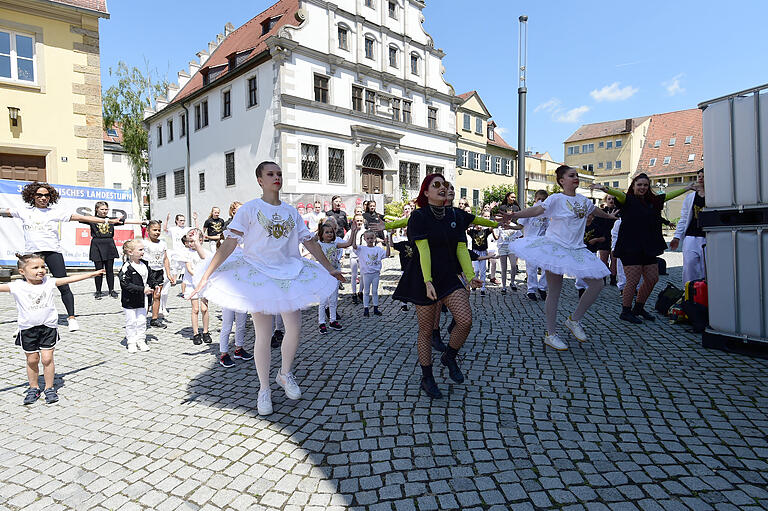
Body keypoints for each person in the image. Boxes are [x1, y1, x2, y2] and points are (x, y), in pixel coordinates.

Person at [189, 161, 344, 416]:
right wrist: (207, 275)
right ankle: (264, 389)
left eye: (279, 174)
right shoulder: (249, 209)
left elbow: (310, 242)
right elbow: (229, 244)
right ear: (260, 179)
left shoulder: (291, 212)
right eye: (270, 174)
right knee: (262, 334)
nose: (276, 177)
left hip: (289, 272)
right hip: (257, 274)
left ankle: (284, 374)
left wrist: (329, 268)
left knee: (294, 328)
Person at [391, 174, 499, 399]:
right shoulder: (419, 216)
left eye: (445, 185)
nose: (442, 188)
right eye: (436, 185)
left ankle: (449, 356)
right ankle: (427, 377)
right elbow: (424, 251)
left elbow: (461, 248)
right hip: (424, 275)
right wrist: (428, 281)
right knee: (426, 330)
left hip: (449, 275)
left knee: (465, 320)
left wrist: (469, 276)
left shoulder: (454, 215)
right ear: (426, 192)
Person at [509, 166, 616, 351]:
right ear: (561, 180)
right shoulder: (556, 199)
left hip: (577, 249)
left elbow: (595, 211)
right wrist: (515, 214)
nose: (576, 178)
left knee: (597, 284)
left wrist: (608, 216)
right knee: (554, 292)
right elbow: (536, 211)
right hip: (555, 248)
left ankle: (574, 320)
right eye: (571, 175)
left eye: (577, 176)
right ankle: (551, 334)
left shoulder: (584, 200)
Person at [0, 181, 121, 331]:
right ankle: (24, 322)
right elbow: (3, 211)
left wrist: (107, 220)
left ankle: (71, 318)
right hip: (33, 254)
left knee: (63, 285)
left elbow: (82, 218)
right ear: (32, 196)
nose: (43, 198)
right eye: (39, 195)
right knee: (27, 289)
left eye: (46, 195)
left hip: (53, 252)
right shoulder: (23, 211)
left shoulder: (55, 212)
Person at [1, 253, 104, 405]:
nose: (41, 270)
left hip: (48, 327)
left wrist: (93, 273)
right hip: (28, 329)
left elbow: (69, 279)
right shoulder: (16, 286)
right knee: (32, 360)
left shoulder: (49, 282)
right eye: (35, 267)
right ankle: (33, 388)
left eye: (43, 266)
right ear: (22, 271)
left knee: (47, 358)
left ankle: (49, 388)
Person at [593, 175, 693, 323]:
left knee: (653, 279)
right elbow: (618, 194)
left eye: (645, 185)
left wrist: (687, 187)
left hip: (648, 246)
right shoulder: (627, 199)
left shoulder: (653, 201)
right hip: (630, 246)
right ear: (633, 186)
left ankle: (639, 308)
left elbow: (669, 195)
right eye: (639, 184)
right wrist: (604, 188)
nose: (642, 188)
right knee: (632, 281)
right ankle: (625, 311)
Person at [85, 201, 143, 299]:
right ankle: (98, 291)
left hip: (109, 245)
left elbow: (126, 221)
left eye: (106, 209)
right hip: (96, 245)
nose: (104, 211)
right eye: (102, 209)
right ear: (96, 209)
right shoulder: (92, 219)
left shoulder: (111, 219)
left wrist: (141, 222)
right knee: (99, 270)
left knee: (109, 270)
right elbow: (78, 218)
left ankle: (111, 290)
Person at [317, 220, 356, 332]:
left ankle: (333, 320)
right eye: (327, 232)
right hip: (324, 274)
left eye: (331, 232)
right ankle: (322, 322)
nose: (329, 234)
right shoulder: (319, 245)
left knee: (333, 299)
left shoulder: (335, 244)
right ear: (322, 234)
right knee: (323, 300)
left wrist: (353, 231)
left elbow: (348, 243)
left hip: (335, 273)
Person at [118, 239, 154, 353]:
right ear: (130, 252)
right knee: (131, 321)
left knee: (142, 321)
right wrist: (142, 289)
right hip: (130, 300)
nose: (142, 252)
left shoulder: (145, 264)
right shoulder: (127, 267)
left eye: (143, 249)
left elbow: (150, 277)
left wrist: (155, 285)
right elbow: (125, 284)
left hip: (143, 299)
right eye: (140, 250)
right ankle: (131, 342)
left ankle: (141, 340)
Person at [670, 168, 706, 284]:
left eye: (703, 176)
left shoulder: (715, 195)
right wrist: (677, 237)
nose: (700, 178)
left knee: (707, 269)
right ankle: (689, 294)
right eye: (699, 176)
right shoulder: (690, 197)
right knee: (689, 267)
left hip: (709, 236)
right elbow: (684, 218)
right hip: (691, 236)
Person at [516, 190, 549, 300]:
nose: (541, 202)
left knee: (546, 265)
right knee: (532, 267)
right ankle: (531, 289)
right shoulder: (530, 211)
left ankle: (542, 287)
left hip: (544, 242)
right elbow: (520, 224)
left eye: (544, 200)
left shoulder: (547, 212)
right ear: (536, 199)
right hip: (530, 242)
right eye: (540, 199)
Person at [143, 220, 173, 326]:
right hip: (147, 272)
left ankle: (154, 319)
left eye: (159, 230)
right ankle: (142, 319)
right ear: (147, 230)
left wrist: (168, 274)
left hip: (159, 272)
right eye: (154, 230)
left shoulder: (163, 243)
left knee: (157, 295)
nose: (157, 232)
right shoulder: (144, 243)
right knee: (146, 297)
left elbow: (165, 259)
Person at [354, 229, 390, 316]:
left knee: (375, 291)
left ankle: (375, 308)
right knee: (366, 291)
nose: (370, 240)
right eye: (368, 238)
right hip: (366, 273)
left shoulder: (378, 249)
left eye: (371, 238)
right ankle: (366, 308)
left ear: (375, 239)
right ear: (365, 239)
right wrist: (354, 234)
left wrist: (387, 244)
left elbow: (387, 254)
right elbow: (354, 246)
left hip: (375, 273)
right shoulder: (362, 249)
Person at [184, 230, 211, 344]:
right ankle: (196, 333)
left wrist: (203, 279)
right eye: (189, 241)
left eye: (193, 241)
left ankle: (206, 331)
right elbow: (189, 269)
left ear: (200, 240)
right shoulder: (187, 253)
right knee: (195, 309)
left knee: (204, 308)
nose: (190, 244)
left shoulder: (206, 252)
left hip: (203, 284)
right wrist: (198, 277)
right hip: (192, 284)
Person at [495, 216, 525, 295]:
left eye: (509, 218)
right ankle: (504, 286)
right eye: (506, 218)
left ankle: (512, 282)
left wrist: (518, 244)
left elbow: (521, 236)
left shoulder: (514, 226)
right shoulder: (500, 226)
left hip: (511, 247)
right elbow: (496, 237)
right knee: (503, 268)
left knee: (513, 265)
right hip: (503, 247)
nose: (508, 220)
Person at [468, 214, 494, 296]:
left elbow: (491, 228)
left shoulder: (485, 231)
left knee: (483, 271)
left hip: (483, 252)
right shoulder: (472, 231)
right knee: (476, 270)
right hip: (475, 252)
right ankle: (475, 284)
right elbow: (466, 229)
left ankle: (483, 288)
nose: (479, 226)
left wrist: (494, 222)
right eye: (478, 224)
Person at [596, 195, 619, 285]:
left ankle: (613, 279)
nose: (611, 200)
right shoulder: (602, 212)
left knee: (614, 260)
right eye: (609, 199)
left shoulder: (619, 211)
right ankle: (603, 277)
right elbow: (597, 225)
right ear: (606, 200)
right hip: (604, 238)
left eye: (613, 199)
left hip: (615, 239)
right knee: (603, 260)